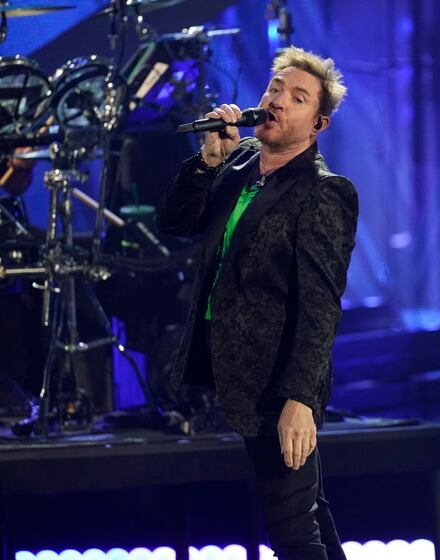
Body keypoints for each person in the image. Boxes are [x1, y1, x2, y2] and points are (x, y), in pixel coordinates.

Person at [157, 46, 356, 560]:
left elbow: (321, 307)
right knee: (308, 515)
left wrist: (300, 400)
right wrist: (207, 162)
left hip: (276, 383)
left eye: (297, 97)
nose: (277, 101)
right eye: (274, 88)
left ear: (319, 123)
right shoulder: (239, 162)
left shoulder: (323, 191)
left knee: (292, 531)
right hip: (234, 372)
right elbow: (176, 224)